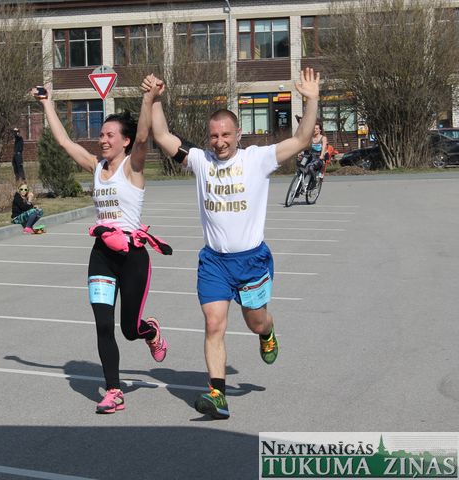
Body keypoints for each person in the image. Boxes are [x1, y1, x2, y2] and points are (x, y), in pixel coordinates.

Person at [141, 68, 321, 419]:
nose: (219, 141)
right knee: (213, 324)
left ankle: (267, 333)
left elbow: (301, 140)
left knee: (256, 322)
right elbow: (162, 135)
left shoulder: (257, 159)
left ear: (238, 134)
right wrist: (157, 99)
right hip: (215, 262)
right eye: (213, 136)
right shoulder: (200, 161)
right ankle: (217, 394)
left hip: (251, 261)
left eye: (225, 135)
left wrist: (311, 100)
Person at [32, 84, 171, 414]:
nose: (103, 140)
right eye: (101, 135)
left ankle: (150, 331)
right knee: (104, 325)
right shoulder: (96, 166)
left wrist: (148, 98)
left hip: (133, 257)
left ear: (124, 141)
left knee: (129, 329)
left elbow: (143, 137)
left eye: (110, 135)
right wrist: (47, 103)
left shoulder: (133, 167)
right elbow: (65, 143)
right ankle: (113, 390)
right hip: (102, 256)